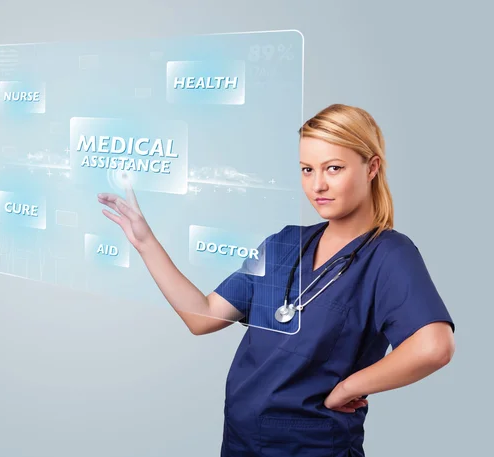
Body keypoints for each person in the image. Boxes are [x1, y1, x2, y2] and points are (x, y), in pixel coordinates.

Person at [97, 103, 456, 457]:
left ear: (371, 167)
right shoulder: (283, 243)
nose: (318, 185)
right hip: (241, 441)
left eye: (334, 168)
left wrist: (349, 387)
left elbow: (434, 347)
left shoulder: (388, 255)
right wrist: (145, 242)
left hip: (312, 448)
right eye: (306, 169)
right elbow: (202, 316)